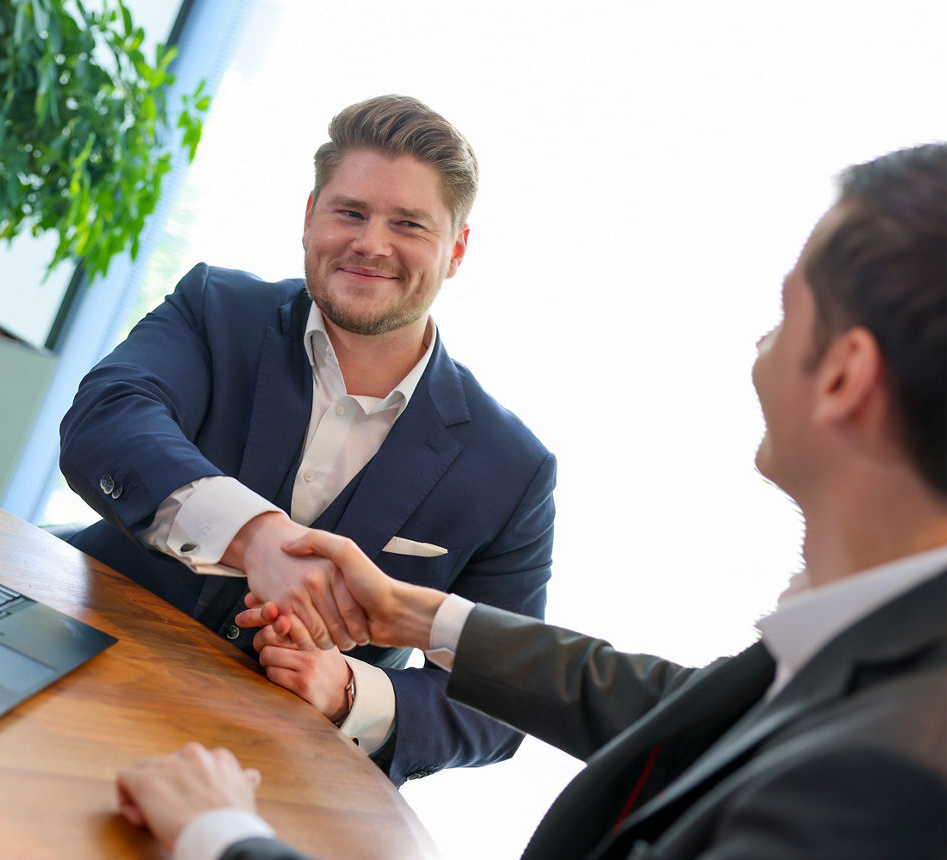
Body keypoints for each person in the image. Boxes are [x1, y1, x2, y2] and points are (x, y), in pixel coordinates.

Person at [115, 142, 947, 859]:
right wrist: (412, 615)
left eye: (784, 315)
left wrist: (221, 835)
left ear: (844, 377)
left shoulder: (885, 777)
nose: (759, 349)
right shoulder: (861, 654)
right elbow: (680, 705)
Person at [60, 95, 557, 784]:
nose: (371, 243)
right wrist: (255, 538)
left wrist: (348, 692)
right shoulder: (214, 307)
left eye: (408, 223)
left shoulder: (513, 471)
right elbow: (107, 418)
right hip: (78, 666)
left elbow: (502, 702)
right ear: (309, 217)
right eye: (350, 211)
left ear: (457, 250)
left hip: (283, 772)